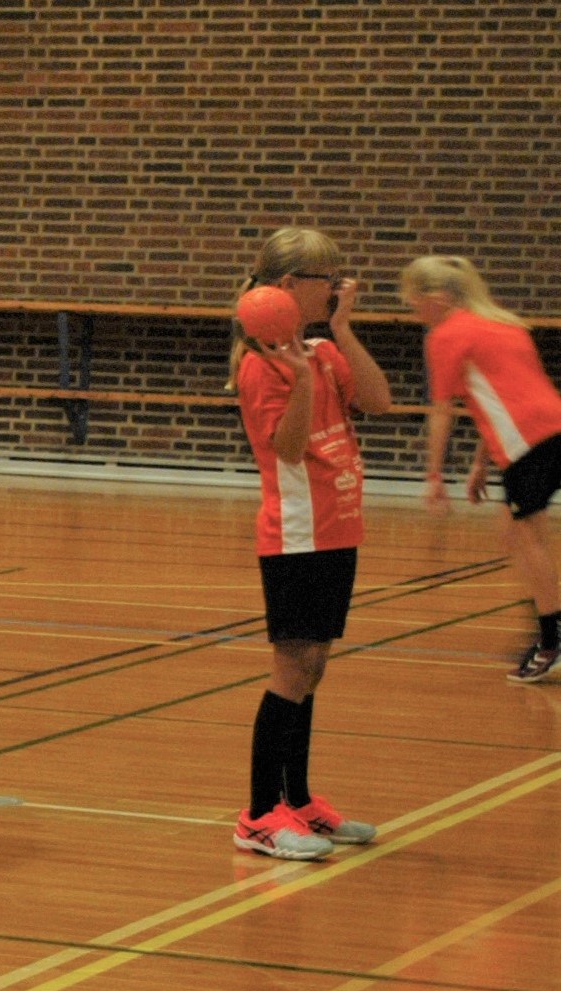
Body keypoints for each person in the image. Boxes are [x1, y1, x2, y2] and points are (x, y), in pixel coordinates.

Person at [227, 229, 393, 859]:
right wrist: (298, 381)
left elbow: (377, 401)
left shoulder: (322, 352)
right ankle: (258, 815)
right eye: (328, 276)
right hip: (297, 532)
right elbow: (288, 450)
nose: (338, 284)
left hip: (338, 524)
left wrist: (342, 329)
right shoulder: (260, 366)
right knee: (292, 668)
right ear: (290, 286)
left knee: (313, 666)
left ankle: (297, 801)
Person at [402, 254, 561, 684]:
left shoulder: (447, 335)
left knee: (528, 539)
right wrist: (480, 464)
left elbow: (443, 411)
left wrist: (434, 477)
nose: (413, 310)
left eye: (414, 301)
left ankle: (552, 640)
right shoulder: (503, 323)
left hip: (529, 444)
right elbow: (500, 397)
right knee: (513, 532)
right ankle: (545, 624)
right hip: (549, 433)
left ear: (437, 298)